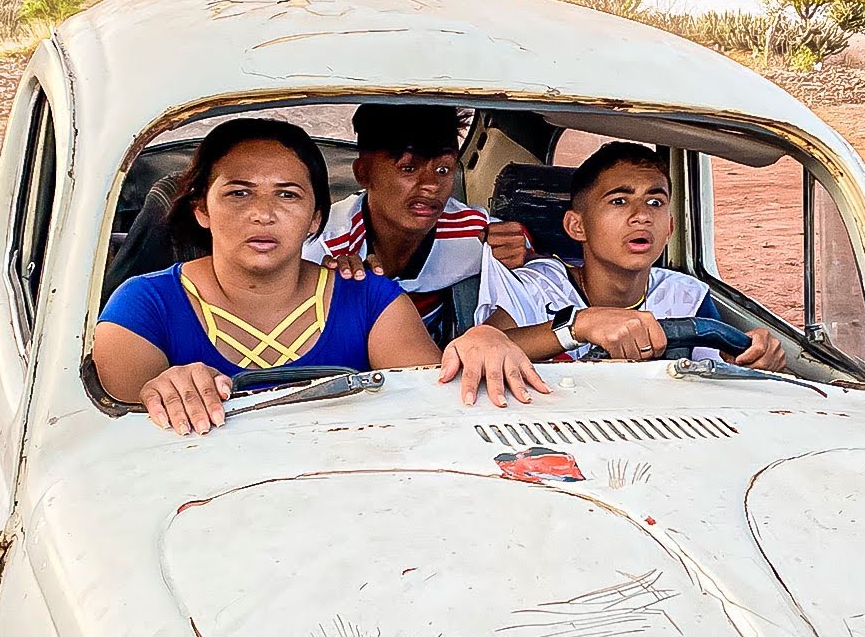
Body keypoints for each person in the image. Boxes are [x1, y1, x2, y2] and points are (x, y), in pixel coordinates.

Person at [94, 119, 548, 436]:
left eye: (287, 195)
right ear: (201, 209)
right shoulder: (142, 305)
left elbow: (429, 411)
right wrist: (159, 391)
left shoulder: (372, 299)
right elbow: (110, 449)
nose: (263, 214)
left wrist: (481, 341)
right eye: (238, 193)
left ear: (315, 219)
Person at [476, 141, 785, 369]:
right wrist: (579, 326)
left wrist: (756, 355)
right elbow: (482, 348)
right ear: (577, 225)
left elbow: (720, 367)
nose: (641, 216)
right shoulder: (537, 287)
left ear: (670, 227)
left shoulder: (685, 295)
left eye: (655, 203)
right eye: (620, 201)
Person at [304, 104, 530, 345]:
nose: (431, 185)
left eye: (443, 169)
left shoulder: (476, 233)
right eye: (408, 168)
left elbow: (543, 277)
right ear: (363, 172)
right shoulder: (322, 243)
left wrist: (526, 258)